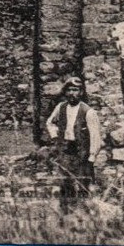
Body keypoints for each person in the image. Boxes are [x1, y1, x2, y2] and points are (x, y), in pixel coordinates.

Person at [46, 76, 102, 209]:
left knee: (83, 182)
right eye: (69, 90)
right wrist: (55, 136)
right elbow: (50, 122)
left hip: (82, 151)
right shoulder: (61, 107)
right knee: (65, 180)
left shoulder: (88, 112)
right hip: (66, 149)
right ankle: (66, 210)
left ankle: (84, 212)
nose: (72, 93)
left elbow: (95, 135)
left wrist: (92, 155)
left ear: (81, 92)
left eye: (75, 90)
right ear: (65, 92)